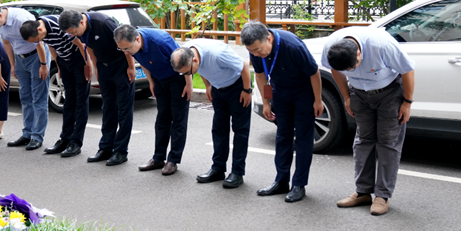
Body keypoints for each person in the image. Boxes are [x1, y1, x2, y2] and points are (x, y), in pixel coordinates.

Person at [322, 27, 416, 216]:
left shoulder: (382, 45)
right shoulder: (331, 46)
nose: (351, 71)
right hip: (358, 94)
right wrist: (346, 97)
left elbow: (407, 70)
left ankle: (382, 195)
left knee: (388, 142)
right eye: (347, 70)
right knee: (363, 140)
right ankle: (363, 192)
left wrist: (407, 103)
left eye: (353, 66)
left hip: (390, 93)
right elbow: (335, 70)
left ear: (359, 53)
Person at [241, 21, 323, 203]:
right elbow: (261, 75)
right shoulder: (255, 47)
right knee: (282, 136)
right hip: (280, 93)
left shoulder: (293, 46)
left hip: (303, 93)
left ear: (268, 39)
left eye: (257, 50)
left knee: (303, 138)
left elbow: (314, 72)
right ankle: (281, 181)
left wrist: (317, 100)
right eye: (251, 51)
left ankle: (299, 184)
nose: (255, 54)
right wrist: (266, 102)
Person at [170, 39, 251, 188]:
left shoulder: (218, 54)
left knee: (240, 130)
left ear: (194, 60)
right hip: (218, 88)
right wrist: (208, 86)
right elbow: (200, 69)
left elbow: (243, 66)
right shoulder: (187, 52)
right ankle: (218, 169)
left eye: (187, 72)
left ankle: (237, 172)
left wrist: (247, 90)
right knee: (219, 129)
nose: (187, 75)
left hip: (237, 86)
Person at [59, 9, 135, 167]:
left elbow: (125, 44)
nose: (73, 35)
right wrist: (96, 67)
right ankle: (105, 148)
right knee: (107, 107)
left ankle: (120, 151)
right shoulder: (80, 30)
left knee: (123, 109)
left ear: (81, 22)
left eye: (74, 32)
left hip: (121, 66)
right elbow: (89, 48)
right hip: (104, 67)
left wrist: (131, 67)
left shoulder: (103, 23)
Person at [115, 24, 192, 176]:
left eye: (127, 48)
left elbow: (184, 61)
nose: (126, 52)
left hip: (178, 79)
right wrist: (151, 81)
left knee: (178, 119)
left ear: (137, 39)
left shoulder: (161, 41)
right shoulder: (131, 46)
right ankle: (158, 158)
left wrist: (189, 84)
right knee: (162, 119)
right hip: (159, 80)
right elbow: (143, 62)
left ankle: (173, 160)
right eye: (122, 49)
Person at [0, 3, 51, 151]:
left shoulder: (21, 19)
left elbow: (39, 42)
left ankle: (37, 136)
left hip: (37, 56)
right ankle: (27, 134)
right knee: (25, 96)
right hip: (20, 58)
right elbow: (6, 42)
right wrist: (12, 64)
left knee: (38, 98)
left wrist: (43, 64)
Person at [20, 15, 91, 158]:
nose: (38, 42)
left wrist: (88, 65)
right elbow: (51, 47)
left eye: (38, 40)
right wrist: (59, 66)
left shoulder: (59, 26)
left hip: (78, 59)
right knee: (69, 101)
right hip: (64, 61)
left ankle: (76, 142)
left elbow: (81, 46)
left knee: (81, 101)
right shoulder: (39, 29)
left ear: (40, 30)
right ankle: (65, 139)